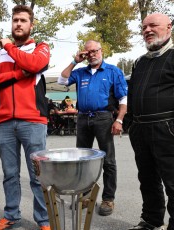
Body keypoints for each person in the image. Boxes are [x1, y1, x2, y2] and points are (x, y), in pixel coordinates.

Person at [0, 5, 51, 230]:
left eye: (23, 20)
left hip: (33, 121)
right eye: (15, 20)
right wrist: (17, 75)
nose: (18, 24)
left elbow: (34, 65)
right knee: (10, 174)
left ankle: (43, 220)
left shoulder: (40, 47)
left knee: (37, 175)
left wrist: (10, 47)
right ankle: (11, 215)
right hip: (4, 122)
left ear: (31, 25)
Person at [57, 40, 127, 216]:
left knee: (108, 160)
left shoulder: (113, 71)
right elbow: (62, 79)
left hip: (104, 118)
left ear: (101, 51)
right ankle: (86, 197)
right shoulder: (80, 72)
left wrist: (119, 120)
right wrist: (75, 61)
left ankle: (108, 199)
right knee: (83, 160)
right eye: (88, 53)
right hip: (83, 118)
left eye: (95, 51)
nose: (92, 55)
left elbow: (123, 99)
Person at [127, 13, 174, 230]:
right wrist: (131, 124)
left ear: (169, 27)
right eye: (144, 27)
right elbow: (132, 95)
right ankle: (151, 221)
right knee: (148, 181)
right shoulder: (139, 62)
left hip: (169, 130)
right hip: (140, 130)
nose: (147, 30)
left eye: (153, 25)